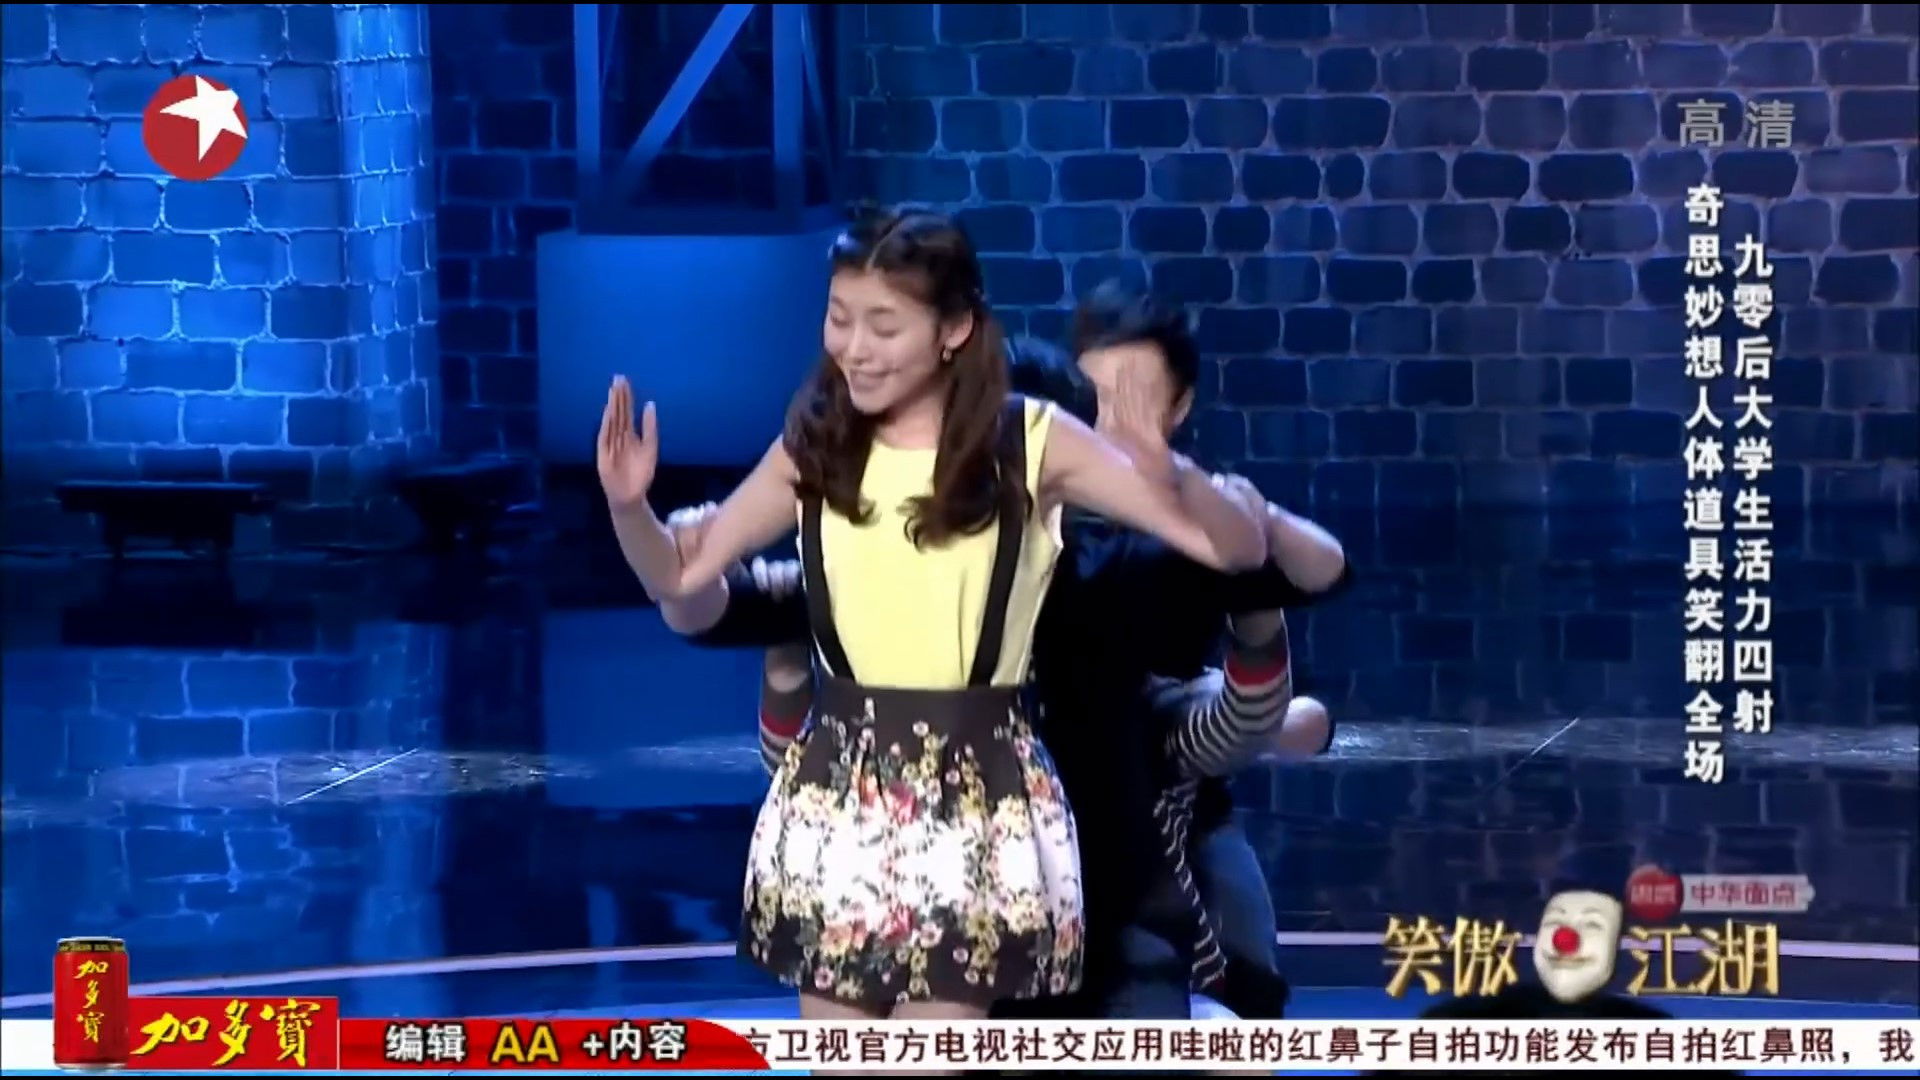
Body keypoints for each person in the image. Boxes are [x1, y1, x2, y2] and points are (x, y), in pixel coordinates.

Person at [597, 207, 1272, 1023]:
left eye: (884, 325)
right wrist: (630, 509)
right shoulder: (818, 443)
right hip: (840, 791)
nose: (854, 347)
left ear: (953, 330)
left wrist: (1173, 471)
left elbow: (1232, 547)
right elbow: (680, 573)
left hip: (976, 793)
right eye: (840, 318)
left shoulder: (1031, 440)